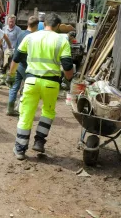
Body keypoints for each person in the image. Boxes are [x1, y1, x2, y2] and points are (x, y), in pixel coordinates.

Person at [8, 13, 74, 160]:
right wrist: (69, 80)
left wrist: (11, 75)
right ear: (57, 26)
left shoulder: (30, 37)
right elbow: (68, 65)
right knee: (48, 111)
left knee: (26, 114)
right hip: (51, 84)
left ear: (44, 24)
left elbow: (16, 58)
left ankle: (20, 149)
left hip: (31, 82)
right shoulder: (62, 40)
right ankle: (39, 141)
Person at [6, 16, 39, 117]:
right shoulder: (33, 37)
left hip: (17, 65)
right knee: (28, 89)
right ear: (36, 25)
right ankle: (23, 109)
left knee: (14, 87)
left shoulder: (21, 34)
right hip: (27, 66)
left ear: (27, 24)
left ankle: (10, 109)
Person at [0, 15, 22, 86]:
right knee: (3, 65)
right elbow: (0, 38)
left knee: (10, 66)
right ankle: (2, 80)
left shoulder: (18, 30)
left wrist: (16, 50)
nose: (11, 23)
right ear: (8, 21)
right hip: (4, 50)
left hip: (13, 51)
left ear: (15, 22)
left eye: (12, 22)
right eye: (10, 21)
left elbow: (19, 41)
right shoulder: (4, 28)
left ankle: (9, 81)